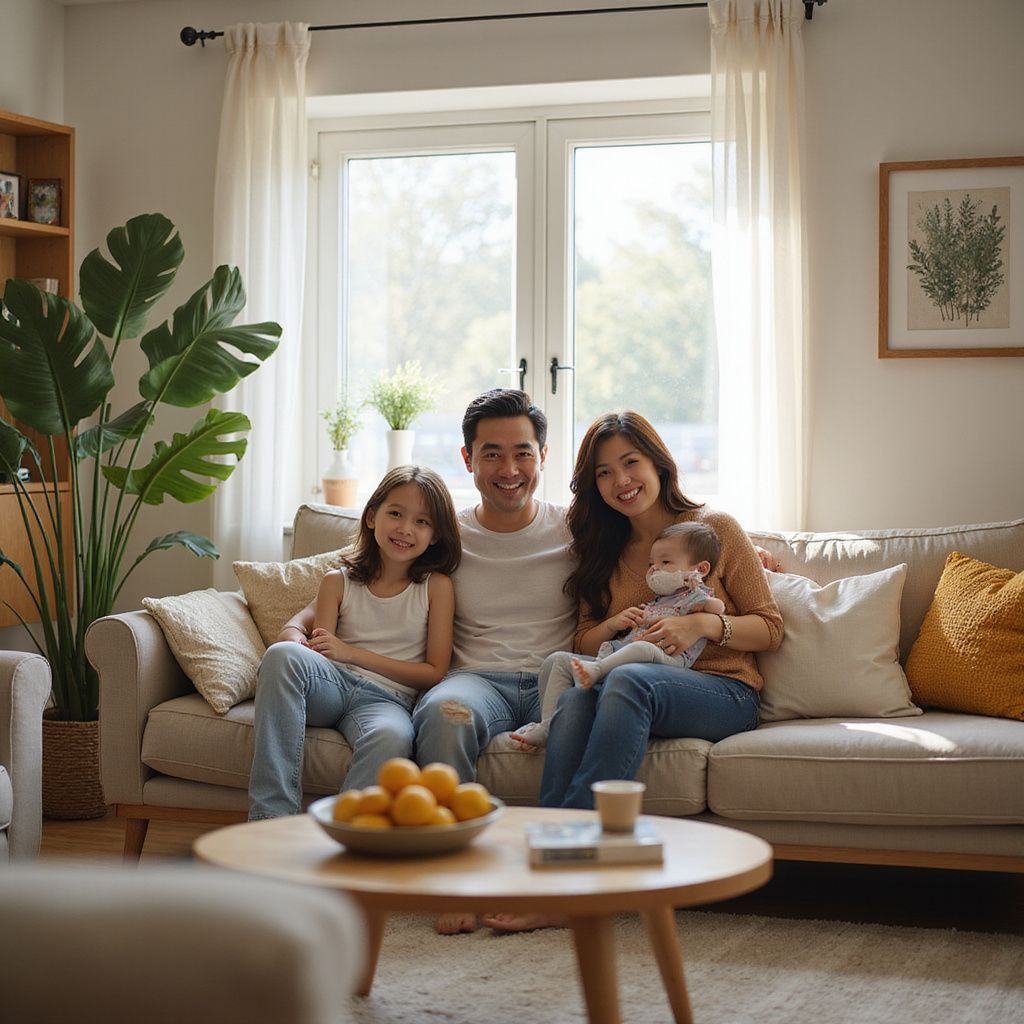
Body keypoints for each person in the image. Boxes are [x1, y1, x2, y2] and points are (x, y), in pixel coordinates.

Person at [486, 411, 783, 933]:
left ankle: (573, 884)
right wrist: (611, 627)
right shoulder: (601, 554)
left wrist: (702, 627)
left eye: (630, 463)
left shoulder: (714, 531)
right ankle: (549, 874)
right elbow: (583, 640)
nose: (620, 481)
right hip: (635, 682)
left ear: (658, 463)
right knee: (579, 695)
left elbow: (769, 627)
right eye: (603, 472)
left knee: (623, 679)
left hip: (726, 693)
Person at [247, 465, 460, 821]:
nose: (406, 529)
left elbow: (434, 672)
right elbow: (318, 650)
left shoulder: (437, 587)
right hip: (330, 686)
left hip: (387, 699)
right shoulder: (337, 581)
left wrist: (352, 654)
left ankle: (341, 832)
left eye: (422, 522)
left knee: (394, 737)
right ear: (372, 517)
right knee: (282, 654)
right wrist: (294, 638)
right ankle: (270, 821)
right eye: (396, 513)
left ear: (436, 535)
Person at [509, 521, 725, 751]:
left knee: (643, 648)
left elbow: (718, 608)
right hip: (625, 657)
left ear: (700, 569)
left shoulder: (695, 597)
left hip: (668, 662)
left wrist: (696, 589)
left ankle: (598, 671)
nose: (654, 569)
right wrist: (621, 621)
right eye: (651, 563)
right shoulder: (657, 601)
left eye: (665, 562)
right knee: (558, 660)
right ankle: (547, 724)